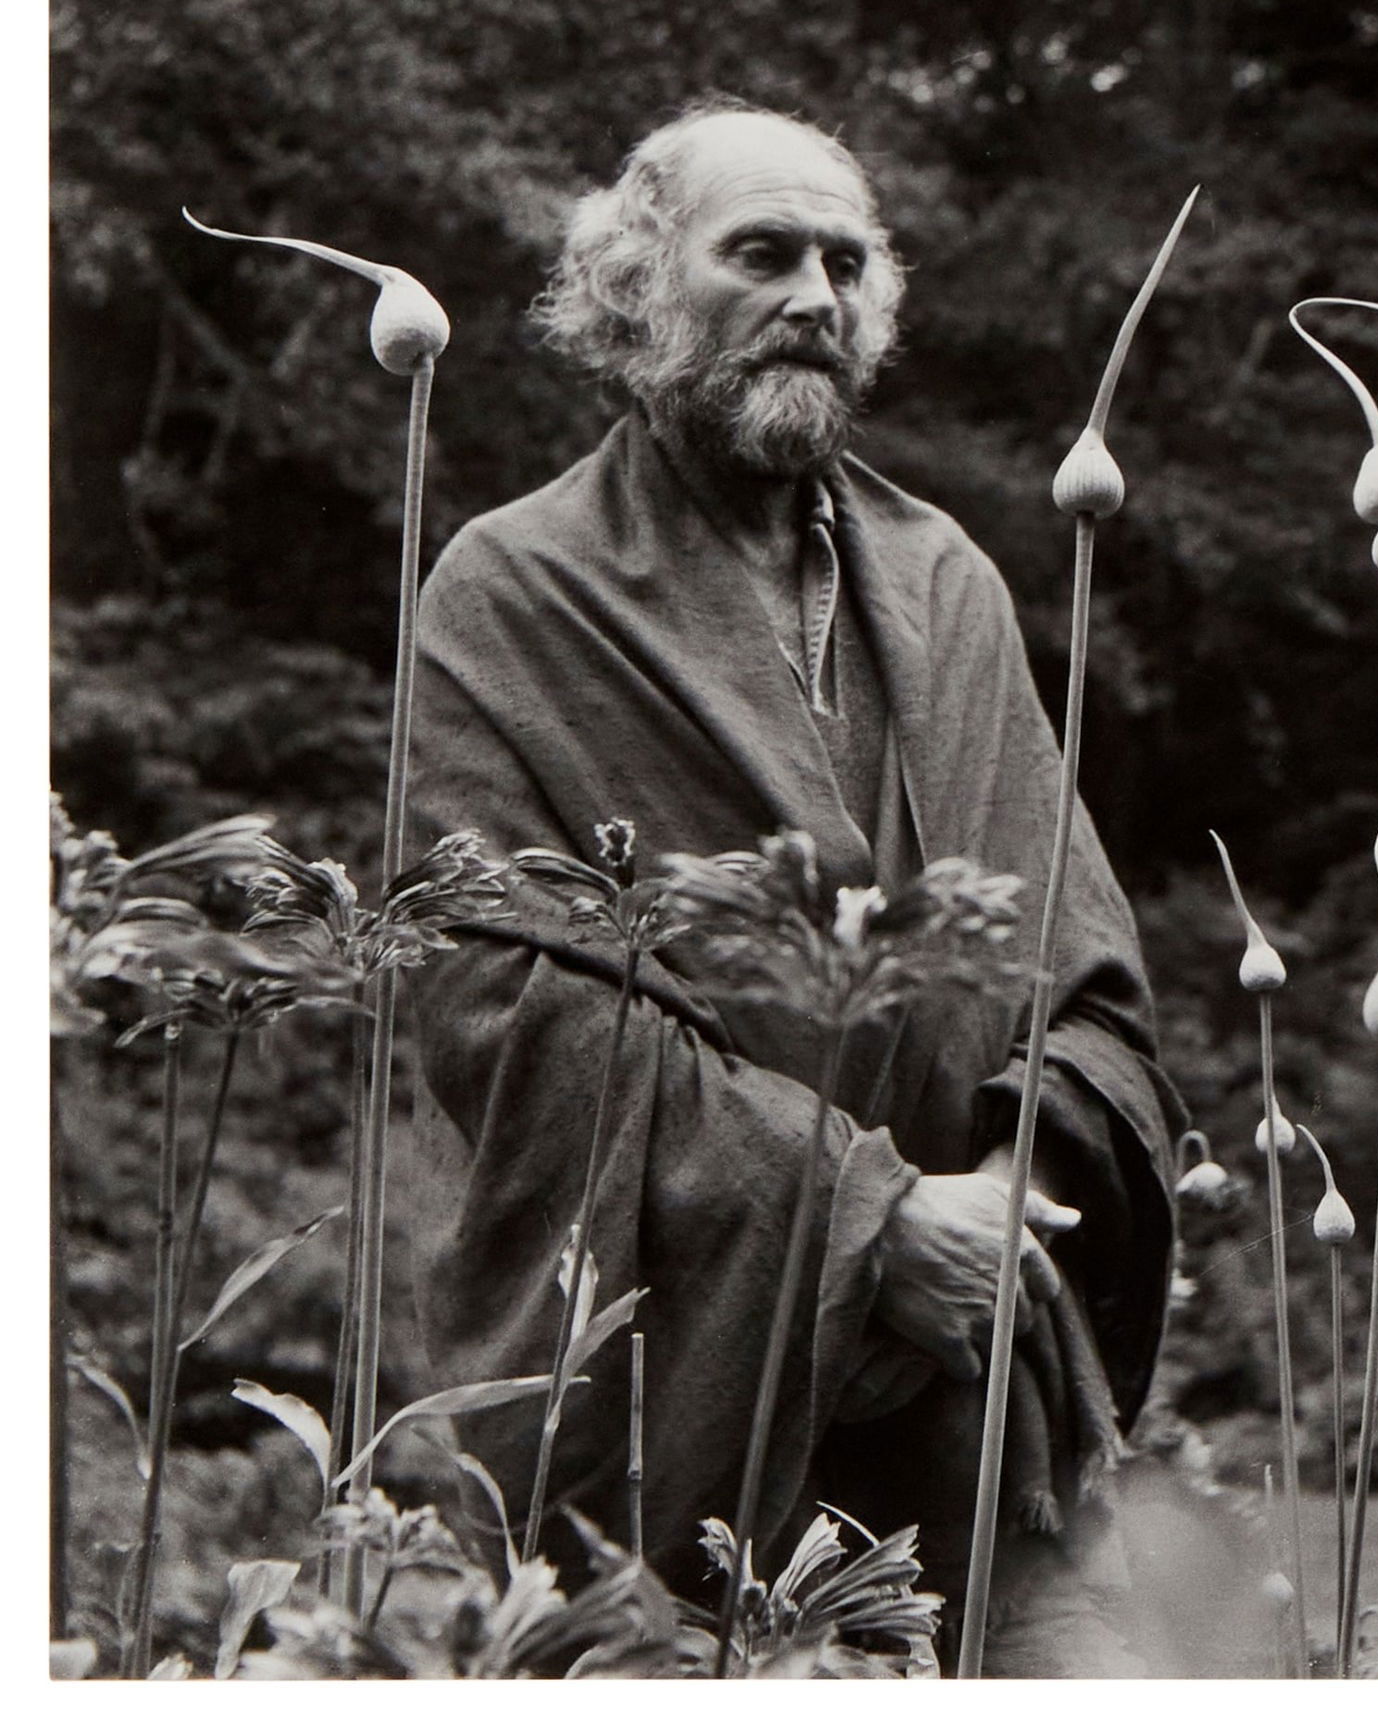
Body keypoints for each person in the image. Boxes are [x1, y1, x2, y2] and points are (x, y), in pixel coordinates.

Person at [407, 103, 1185, 1675]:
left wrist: (998, 1197)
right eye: (761, 251)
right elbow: (503, 1000)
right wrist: (858, 1213)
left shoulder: (949, 580)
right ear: (636, 293)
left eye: (846, 260)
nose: (816, 295)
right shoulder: (512, 584)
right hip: (675, 1397)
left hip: (965, 1376)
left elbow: (1087, 981)